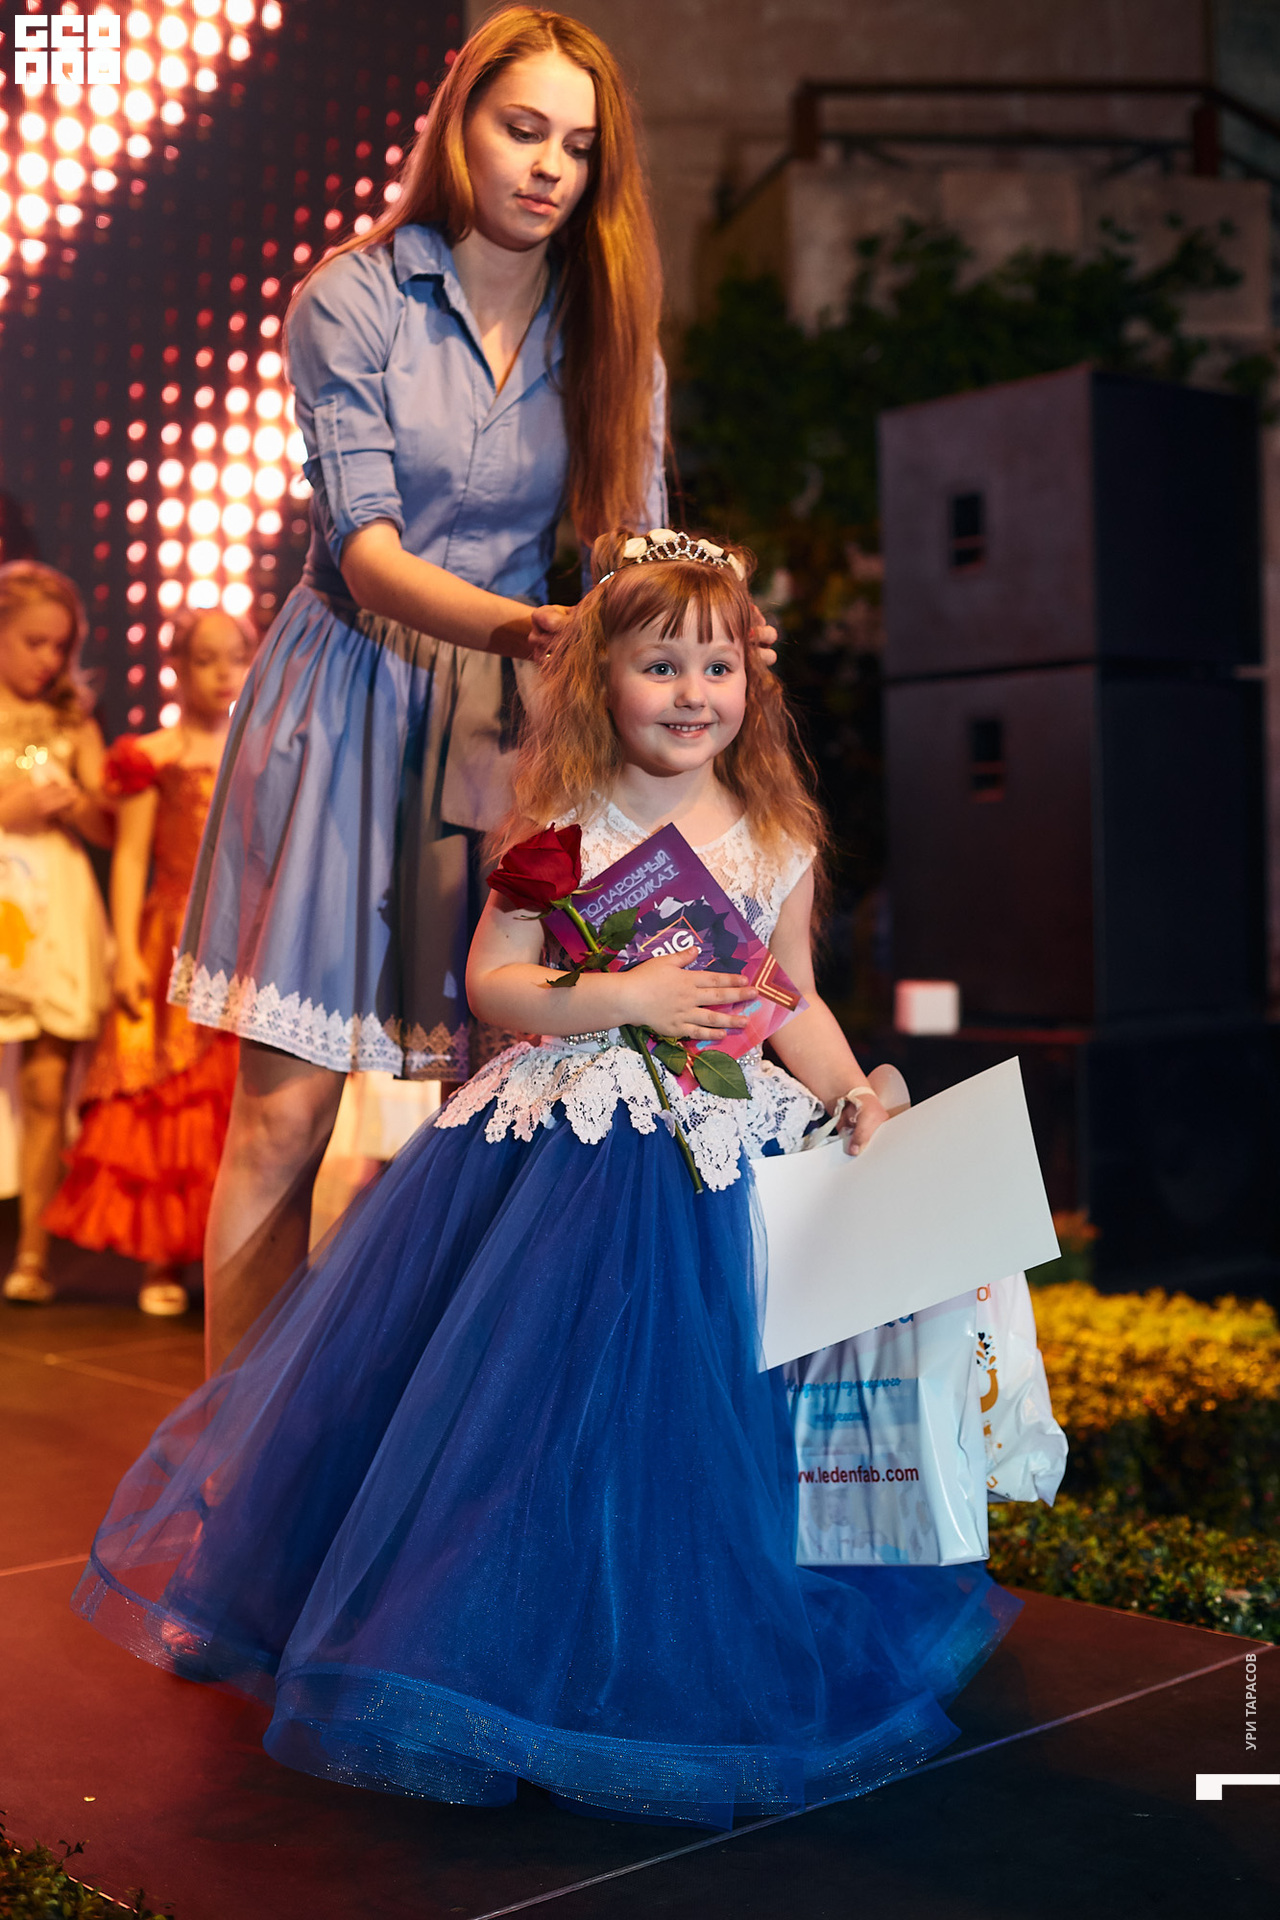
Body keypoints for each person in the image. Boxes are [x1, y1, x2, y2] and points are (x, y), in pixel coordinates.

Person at [73, 531, 1018, 1829]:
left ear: (752, 680)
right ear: (599, 679)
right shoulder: (564, 826)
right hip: (567, 1145)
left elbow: (786, 994)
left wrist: (853, 1089)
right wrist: (626, 996)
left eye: (717, 666)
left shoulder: (775, 833)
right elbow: (493, 981)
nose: (692, 693)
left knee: (699, 1425)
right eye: (659, 665)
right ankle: (482, 1649)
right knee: (534, 1406)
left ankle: (663, 1643)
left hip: (720, 1150)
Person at [170, 6, 698, 1373]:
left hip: (517, 733)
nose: (548, 167)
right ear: (457, 123)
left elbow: (634, 554)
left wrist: (695, 624)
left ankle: (443, 1459)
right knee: (287, 1114)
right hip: (351, 695)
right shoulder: (352, 297)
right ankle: (234, 1469)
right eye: (522, 129)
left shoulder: (613, 335)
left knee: (508, 1103)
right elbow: (368, 552)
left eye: (577, 146)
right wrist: (542, 630)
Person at [43, 611, 253, 1317]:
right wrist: (127, 954)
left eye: (235, 658)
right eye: (205, 659)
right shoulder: (151, 757)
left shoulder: (258, 753)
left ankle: (232, 1261)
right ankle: (163, 1259)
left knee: (233, 1100)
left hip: (241, 938)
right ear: (178, 668)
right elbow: (131, 858)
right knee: (172, 1095)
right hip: (173, 933)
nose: (221, 673)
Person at [0, 561, 112, 1305]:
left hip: (54, 910)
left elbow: (110, 824)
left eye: (59, 646)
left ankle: (32, 1253)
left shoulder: (75, 722)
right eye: (33, 642)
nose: (47, 659)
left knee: (46, 1084)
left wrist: (74, 805)